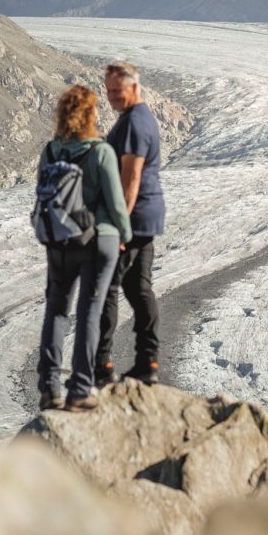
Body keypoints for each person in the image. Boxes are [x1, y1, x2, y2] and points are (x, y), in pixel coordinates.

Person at [36, 84, 132, 412]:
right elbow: (117, 204)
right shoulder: (100, 151)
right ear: (91, 114)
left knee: (56, 310)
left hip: (60, 241)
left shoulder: (50, 151)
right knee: (89, 312)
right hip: (97, 239)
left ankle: (49, 387)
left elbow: (43, 193)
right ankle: (79, 388)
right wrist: (126, 235)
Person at [96, 60, 165, 385]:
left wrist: (119, 227)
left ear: (134, 88)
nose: (111, 96)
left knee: (106, 288)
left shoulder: (135, 123)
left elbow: (131, 177)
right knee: (139, 289)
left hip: (133, 219)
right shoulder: (137, 118)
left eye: (117, 91)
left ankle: (101, 366)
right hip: (145, 217)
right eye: (108, 91)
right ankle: (147, 362)